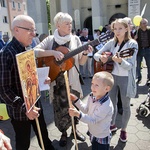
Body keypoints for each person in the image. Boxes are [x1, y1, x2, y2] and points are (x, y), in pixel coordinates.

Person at [34, 12, 93, 147]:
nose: (70, 26)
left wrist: (85, 53)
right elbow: (35, 52)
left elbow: (82, 63)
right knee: (60, 110)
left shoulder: (76, 40)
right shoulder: (49, 40)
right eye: (67, 23)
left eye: (71, 23)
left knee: (74, 106)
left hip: (72, 81)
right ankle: (63, 133)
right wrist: (53, 52)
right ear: (58, 25)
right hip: (56, 82)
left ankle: (74, 129)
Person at [0, 15, 55, 150]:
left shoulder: (27, 49)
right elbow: (3, 90)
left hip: (35, 102)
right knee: (23, 143)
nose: (34, 34)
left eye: (34, 29)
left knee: (43, 135)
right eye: (30, 30)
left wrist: (41, 81)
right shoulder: (6, 53)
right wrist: (25, 108)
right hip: (20, 111)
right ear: (16, 30)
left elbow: (29, 76)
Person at [94, 18, 138, 142]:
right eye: (115, 29)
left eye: (120, 28)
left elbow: (130, 65)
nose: (117, 31)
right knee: (111, 104)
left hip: (126, 78)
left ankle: (123, 130)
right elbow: (97, 54)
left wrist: (120, 61)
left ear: (126, 29)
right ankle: (112, 124)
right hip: (112, 77)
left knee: (125, 106)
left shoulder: (132, 44)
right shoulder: (111, 43)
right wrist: (101, 58)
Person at [69, 71, 114, 150]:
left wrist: (78, 114)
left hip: (101, 136)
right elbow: (86, 110)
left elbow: (93, 120)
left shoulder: (106, 105)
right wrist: (76, 100)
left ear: (107, 88)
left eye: (96, 85)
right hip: (93, 132)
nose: (92, 87)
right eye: (92, 84)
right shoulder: (92, 95)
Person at [134, 18, 150, 84]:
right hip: (140, 50)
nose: (143, 25)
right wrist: (135, 38)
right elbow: (133, 40)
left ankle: (149, 78)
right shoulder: (138, 31)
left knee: (149, 65)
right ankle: (139, 78)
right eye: (142, 23)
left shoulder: (149, 31)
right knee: (138, 65)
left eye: (144, 23)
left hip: (148, 49)